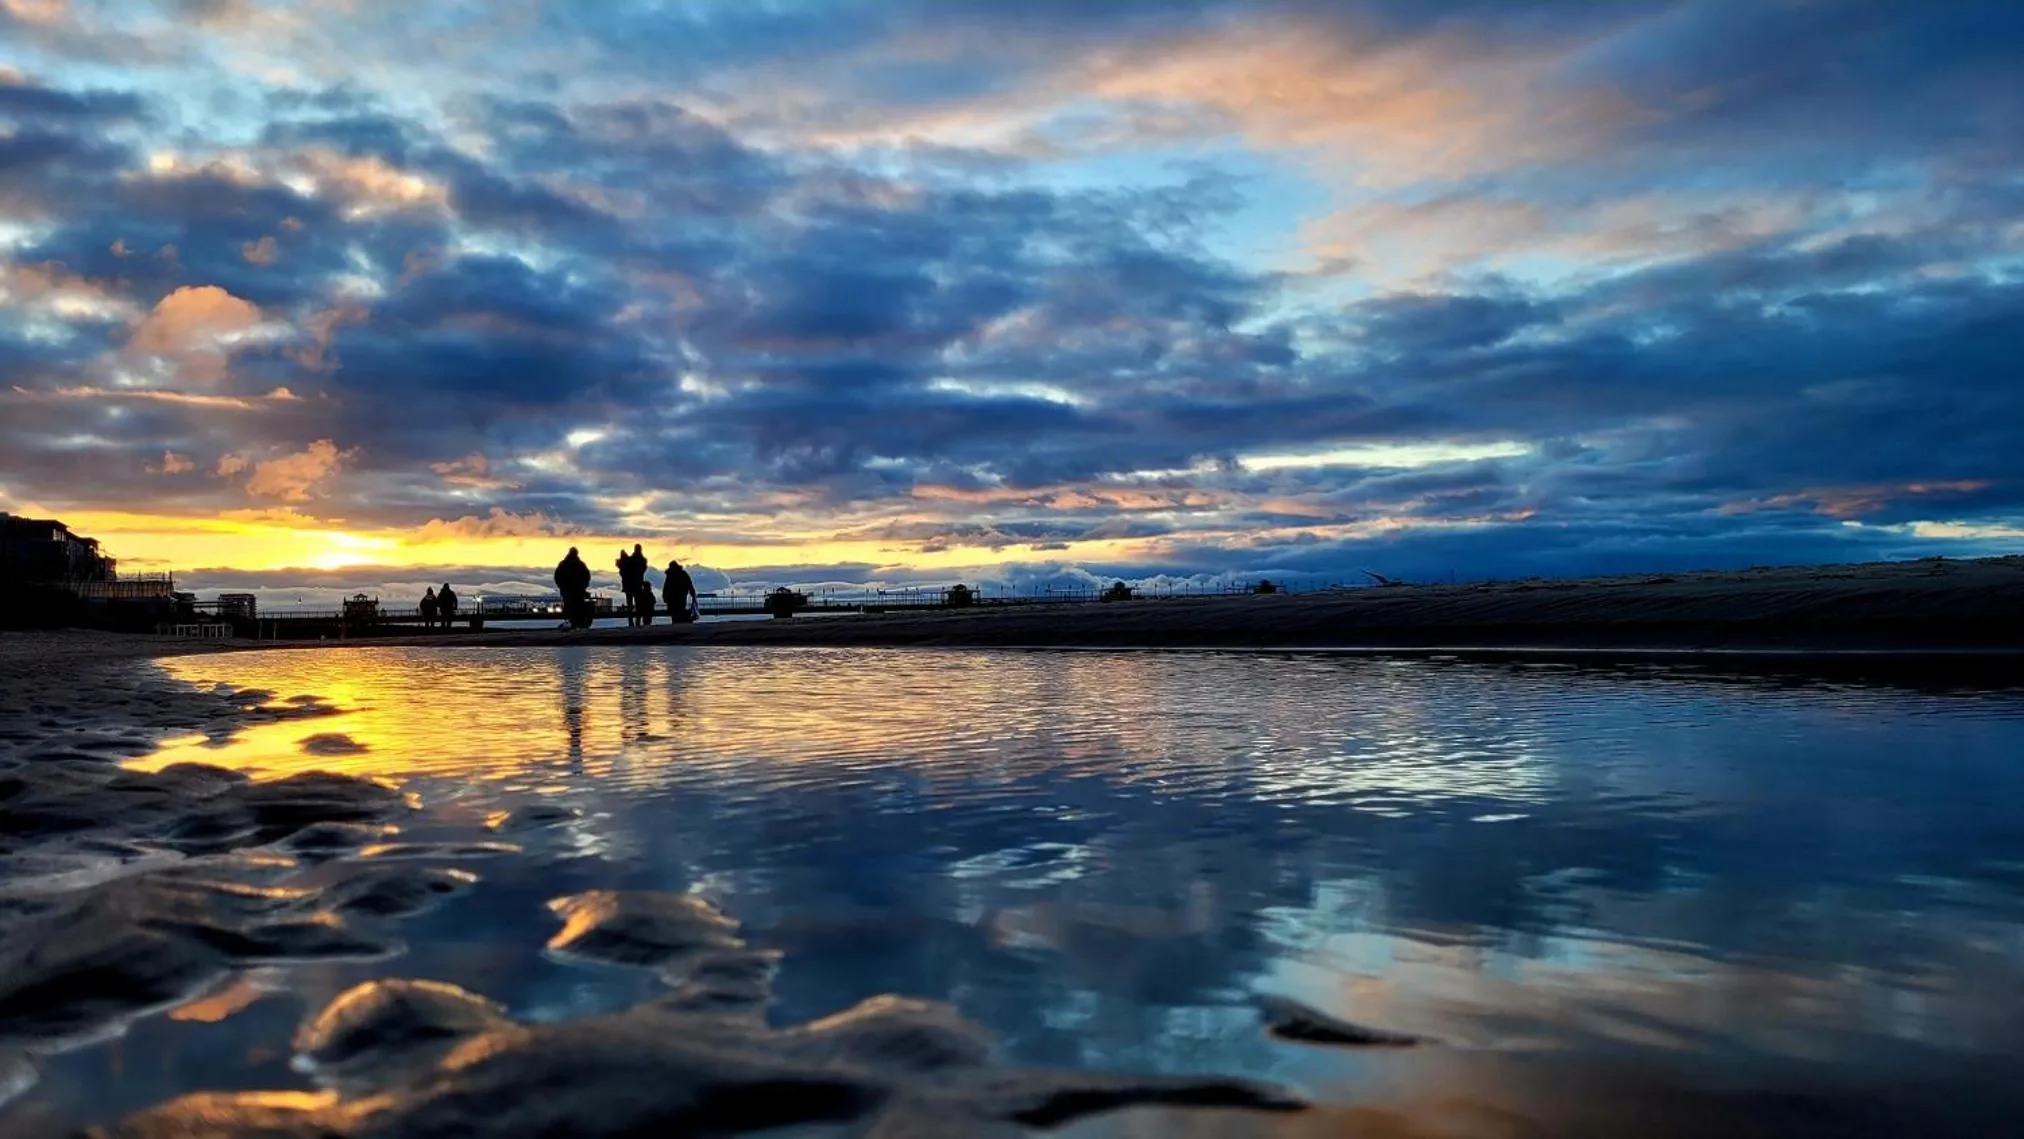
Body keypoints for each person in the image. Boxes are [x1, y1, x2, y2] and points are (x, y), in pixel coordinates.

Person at [554, 547, 592, 629]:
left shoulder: (564, 564)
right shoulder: (580, 564)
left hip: (571, 590)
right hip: (574, 590)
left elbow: (557, 576)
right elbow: (587, 576)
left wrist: (562, 586)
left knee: (571, 606)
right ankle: (576, 623)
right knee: (576, 606)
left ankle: (573, 622)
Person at [617, 544, 648, 626]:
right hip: (635, 585)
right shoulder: (642, 560)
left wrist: (623, 557)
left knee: (631, 604)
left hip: (630, 585)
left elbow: (623, 570)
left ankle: (632, 621)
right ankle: (635, 621)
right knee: (637, 604)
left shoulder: (633, 560)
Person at [662, 559, 697, 623]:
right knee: (679, 611)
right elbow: (689, 584)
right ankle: (679, 623)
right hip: (680, 596)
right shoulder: (682, 574)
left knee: (675, 612)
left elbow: (666, 587)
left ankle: (676, 623)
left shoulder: (670, 575)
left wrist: (664, 596)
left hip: (673, 597)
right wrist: (693, 593)